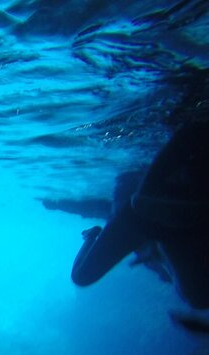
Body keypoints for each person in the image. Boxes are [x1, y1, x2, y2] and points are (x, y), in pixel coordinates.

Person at [71, 118, 209, 331]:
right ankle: (190, 131)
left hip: (152, 220)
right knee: (82, 276)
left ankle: (190, 131)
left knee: (82, 276)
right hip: (155, 219)